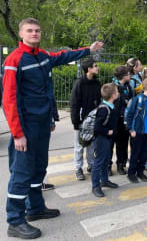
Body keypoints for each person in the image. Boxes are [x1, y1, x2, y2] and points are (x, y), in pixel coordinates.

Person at [2, 17, 102, 239]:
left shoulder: (43, 56)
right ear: (21, 34)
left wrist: (88, 49)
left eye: (37, 30)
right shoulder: (14, 60)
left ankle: (35, 208)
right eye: (30, 31)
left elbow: (63, 56)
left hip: (42, 125)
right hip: (26, 127)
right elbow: (9, 100)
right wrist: (17, 134)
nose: (35, 34)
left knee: (39, 168)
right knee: (22, 173)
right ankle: (15, 221)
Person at [70, 57, 101, 181]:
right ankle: (78, 168)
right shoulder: (80, 83)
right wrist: (76, 122)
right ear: (89, 69)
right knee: (79, 145)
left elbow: (99, 101)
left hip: (93, 120)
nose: (97, 67)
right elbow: (74, 104)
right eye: (95, 66)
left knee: (91, 145)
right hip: (82, 121)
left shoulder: (96, 83)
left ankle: (91, 165)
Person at [125, 78, 147, 183]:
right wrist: (131, 130)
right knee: (135, 154)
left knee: (144, 154)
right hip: (137, 132)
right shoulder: (137, 99)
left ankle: (140, 172)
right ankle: (131, 173)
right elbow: (129, 115)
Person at [91, 83, 119, 198]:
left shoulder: (111, 106)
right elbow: (97, 127)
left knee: (106, 159)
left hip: (107, 139)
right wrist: (108, 132)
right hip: (101, 139)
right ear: (113, 95)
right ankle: (95, 186)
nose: (118, 93)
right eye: (117, 92)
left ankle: (104, 180)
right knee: (99, 162)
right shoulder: (104, 109)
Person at [110, 66, 133, 176]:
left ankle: (121, 164)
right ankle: (107, 166)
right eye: (128, 74)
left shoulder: (128, 87)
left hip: (124, 120)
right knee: (110, 144)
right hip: (113, 120)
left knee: (123, 144)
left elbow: (131, 101)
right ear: (124, 76)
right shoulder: (113, 87)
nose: (130, 76)